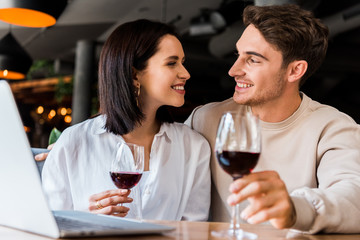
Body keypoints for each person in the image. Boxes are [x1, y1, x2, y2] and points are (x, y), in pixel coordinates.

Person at [184, 4, 360, 234]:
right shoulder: (205, 119)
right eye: (238, 55)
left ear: (295, 71)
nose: (233, 70)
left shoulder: (333, 127)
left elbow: (353, 197)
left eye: (253, 60)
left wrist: (295, 209)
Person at [41, 19, 211, 221]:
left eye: (183, 63)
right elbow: (49, 226)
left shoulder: (193, 147)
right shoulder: (73, 142)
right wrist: (85, 220)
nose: (186, 73)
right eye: (172, 63)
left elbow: (195, 229)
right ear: (133, 75)